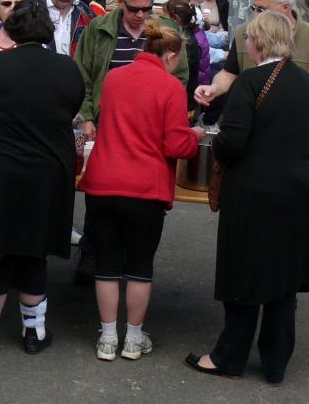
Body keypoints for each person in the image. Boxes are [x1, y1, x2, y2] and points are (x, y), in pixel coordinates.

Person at [185, 11, 309, 385]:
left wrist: (215, 144)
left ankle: (228, 357)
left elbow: (232, 142)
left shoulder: (251, 82)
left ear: (259, 42)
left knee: (245, 276)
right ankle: (275, 363)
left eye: (249, 38)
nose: (245, 44)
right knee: (283, 282)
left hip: (257, 193)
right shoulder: (303, 80)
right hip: (304, 193)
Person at [0, 0, 84, 356]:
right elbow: (71, 110)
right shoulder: (66, 69)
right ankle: (34, 331)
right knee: (33, 251)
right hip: (47, 171)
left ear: (10, 29)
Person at [81, 21, 204, 362]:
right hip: (145, 188)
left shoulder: (114, 79)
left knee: (105, 263)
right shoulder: (170, 88)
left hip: (104, 182)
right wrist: (195, 134)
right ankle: (133, 339)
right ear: (172, 55)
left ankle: (107, 337)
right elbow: (176, 144)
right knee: (139, 266)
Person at [196, 0, 309, 171]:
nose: (256, 15)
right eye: (254, 8)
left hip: (296, 139)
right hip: (250, 135)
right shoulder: (244, 33)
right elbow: (229, 72)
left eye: (262, 9)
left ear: (285, 8)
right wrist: (214, 88)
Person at [75, 0, 187, 131]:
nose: (140, 15)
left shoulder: (167, 31)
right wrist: (87, 118)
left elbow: (180, 77)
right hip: (107, 121)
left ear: (153, 1)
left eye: (146, 8)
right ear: (120, 2)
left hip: (151, 124)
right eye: (133, 9)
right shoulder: (98, 28)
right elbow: (82, 75)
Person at [165, 0, 210, 106]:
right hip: (191, 92)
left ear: (175, 18)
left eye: (164, 16)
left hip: (185, 97)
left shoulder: (184, 42)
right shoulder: (191, 33)